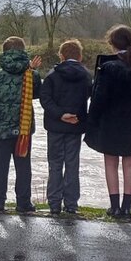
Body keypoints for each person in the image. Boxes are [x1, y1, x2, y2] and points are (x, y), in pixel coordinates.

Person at [84, 25, 131, 220]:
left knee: (110, 163)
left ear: (113, 44)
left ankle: (114, 207)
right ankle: (127, 208)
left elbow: (99, 98)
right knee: (130, 164)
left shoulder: (109, 68)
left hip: (110, 122)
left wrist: (90, 122)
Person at [0, 36, 42, 214]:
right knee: (23, 166)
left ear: (4, 51)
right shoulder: (32, 75)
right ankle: (23, 203)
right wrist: (31, 71)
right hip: (24, 128)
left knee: (0, 166)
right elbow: (36, 95)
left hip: (1, 128)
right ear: (23, 52)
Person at [40, 39, 92, 215]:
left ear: (61, 56)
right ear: (80, 56)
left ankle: (54, 204)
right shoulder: (86, 75)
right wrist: (76, 115)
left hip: (55, 125)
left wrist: (61, 114)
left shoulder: (52, 75)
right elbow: (91, 96)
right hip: (75, 125)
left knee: (54, 164)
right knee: (72, 164)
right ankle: (71, 204)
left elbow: (45, 99)